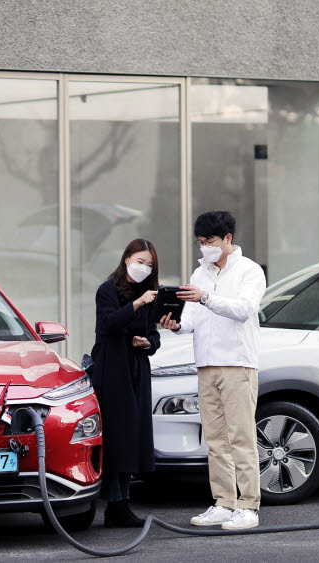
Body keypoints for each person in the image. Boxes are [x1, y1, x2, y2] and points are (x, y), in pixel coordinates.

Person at [160, 211, 266, 530]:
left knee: (241, 436)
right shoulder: (199, 273)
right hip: (206, 366)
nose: (204, 247)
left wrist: (205, 297)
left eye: (209, 241)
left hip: (238, 364)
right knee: (216, 439)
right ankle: (223, 501)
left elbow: (245, 309)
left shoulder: (249, 271)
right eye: (200, 242)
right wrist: (174, 324)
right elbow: (191, 321)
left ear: (228, 239)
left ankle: (248, 505)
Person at [88, 238, 161, 527]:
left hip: (136, 369)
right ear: (127, 258)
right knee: (116, 435)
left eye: (150, 264)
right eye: (140, 261)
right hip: (113, 368)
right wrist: (136, 304)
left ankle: (124, 500)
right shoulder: (107, 290)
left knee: (133, 435)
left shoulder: (148, 294)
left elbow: (153, 335)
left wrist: (147, 343)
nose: (144, 267)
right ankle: (113, 502)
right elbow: (106, 325)